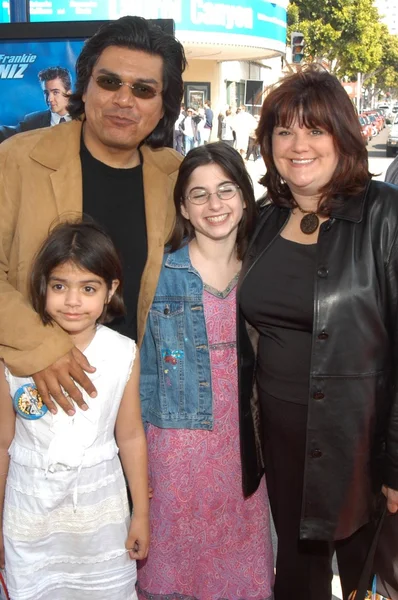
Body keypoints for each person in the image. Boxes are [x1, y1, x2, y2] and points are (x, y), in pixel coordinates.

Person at [237, 65, 398, 600]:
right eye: (284, 131)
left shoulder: (385, 216)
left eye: (314, 129)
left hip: (360, 446)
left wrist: (396, 463)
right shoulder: (262, 220)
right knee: (299, 580)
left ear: (343, 137)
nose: (297, 144)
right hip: (280, 440)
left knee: (365, 579)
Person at [0, 16, 186, 415]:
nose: (124, 100)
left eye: (143, 89)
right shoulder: (17, 159)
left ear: (162, 106)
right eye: (109, 82)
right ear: (84, 88)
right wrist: (42, 347)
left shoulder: (176, 176)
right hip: (32, 398)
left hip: (135, 407)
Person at [137, 143, 274, 600]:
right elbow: (142, 369)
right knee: (173, 577)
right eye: (199, 195)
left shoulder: (266, 265)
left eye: (226, 190)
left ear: (244, 196)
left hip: (245, 445)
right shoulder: (159, 272)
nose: (215, 205)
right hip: (175, 451)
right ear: (182, 206)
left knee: (242, 579)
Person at [0, 221, 149, 600]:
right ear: (42, 286)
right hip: (30, 516)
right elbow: (2, 442)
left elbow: (130, 436)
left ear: (111, 289)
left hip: (100, 521)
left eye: (88, 288)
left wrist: (142, 515)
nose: (72, 301)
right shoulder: (13, 356)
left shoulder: (122, 353)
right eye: (59, 286)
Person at [0, 66, 72, 142]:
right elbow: (8, 134)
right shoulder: (33, 121)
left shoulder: (83, 119)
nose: (49, 99)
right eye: (46, 93)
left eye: (55, 92)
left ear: (69, 94)